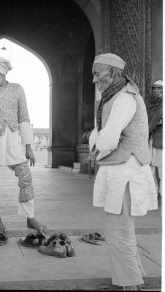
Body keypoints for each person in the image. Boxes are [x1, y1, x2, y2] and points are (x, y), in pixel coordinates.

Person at [88, 53, 158, 290]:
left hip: (126, 171)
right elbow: (101, 133)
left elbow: (107, 138)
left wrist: (96, 142)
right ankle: (132, 278)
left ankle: (130, 284)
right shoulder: (113, 97)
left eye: (97, 73)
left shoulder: (125, 98)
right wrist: (98, 138)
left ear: (113, 73)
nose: (94, 79)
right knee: (118, 228)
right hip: (118, 169)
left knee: (119, 229)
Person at [0, 56, 47, 235]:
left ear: (2, 71)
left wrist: (28, 147)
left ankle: (30, 217)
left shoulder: (17, 89)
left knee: (26, 178)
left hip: (12, 140)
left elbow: (24, 118)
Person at [145, 80, 163, 203]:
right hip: (149, 139)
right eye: (154, 88)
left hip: (161, 140)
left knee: (162, 170)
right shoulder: (149, 103)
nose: (156, 90)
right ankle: (152, 196)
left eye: (159, 88)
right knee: (150, 169)